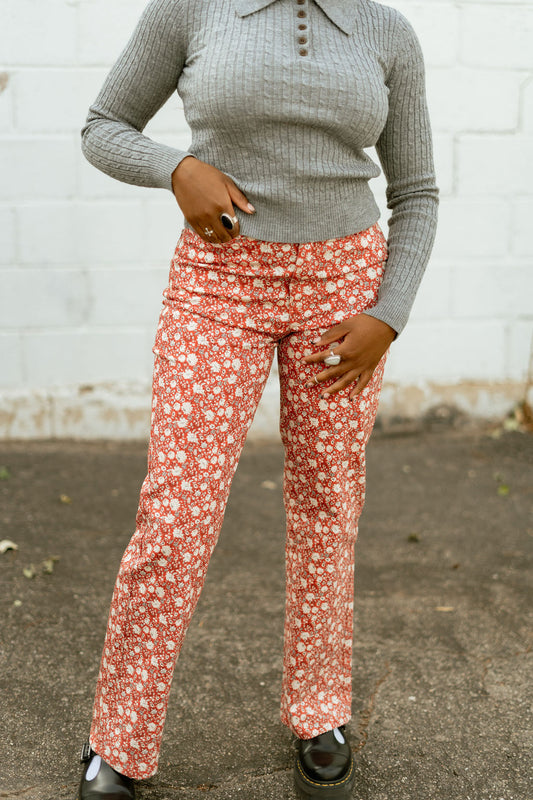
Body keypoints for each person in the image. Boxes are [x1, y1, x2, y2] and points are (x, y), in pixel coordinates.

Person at [75, 0, 438, 797]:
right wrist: (175, 167)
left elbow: (417, 191)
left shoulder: (385, 31)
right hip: (218, 282)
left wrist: (389, 313)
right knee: (176, 511)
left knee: (326, 501)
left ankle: (319, 711)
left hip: (345, 292)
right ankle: (119, 739)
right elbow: (103, 125)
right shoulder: (191, 9)